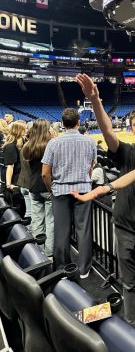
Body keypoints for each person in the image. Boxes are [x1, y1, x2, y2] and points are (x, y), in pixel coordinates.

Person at [74, 74, 135, 352]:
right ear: (131, 129)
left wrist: (106, 188)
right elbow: (107, 133)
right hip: (123, 227)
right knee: (128, 283)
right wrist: (94, 101)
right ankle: (129, 324)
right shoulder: (125, 151)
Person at [41, 108, 97, 277]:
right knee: (84, 230)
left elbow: (45, 173)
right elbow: (91, 166)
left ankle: (61, 268)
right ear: (79, 122)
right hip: (83, 190)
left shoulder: (53, 143)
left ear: (62, 123)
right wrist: (85, 181)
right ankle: (84, 269)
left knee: (61, 230)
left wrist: (52, 189)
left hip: (60, 190)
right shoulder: (90, 141)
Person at [22, 119, 55, 258]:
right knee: (50, 222)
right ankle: (49, 253)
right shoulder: (50, 145)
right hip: (48, 187)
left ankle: (38, 253)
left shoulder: (28, 146)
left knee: (37, 221)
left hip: (34, 187)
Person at [3, 121, 27, 189]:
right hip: (16, 181)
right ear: (18, 131)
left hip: (22, 179)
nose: (27, 130)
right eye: (25, 129)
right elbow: (10, 166)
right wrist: (8, 185)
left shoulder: (23, 143)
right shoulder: (10, 146)